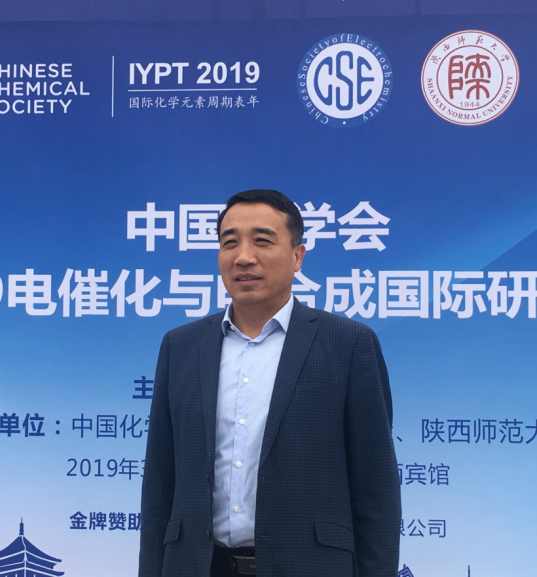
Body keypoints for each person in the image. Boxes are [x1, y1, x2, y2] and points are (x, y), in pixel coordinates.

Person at [139, 189, 401, 577]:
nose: (244, 256)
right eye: (230, 242)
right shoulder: (180, 346)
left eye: (262, 241)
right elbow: (160, 485)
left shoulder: (349, 344)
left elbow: (376, 488)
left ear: (297, 256)